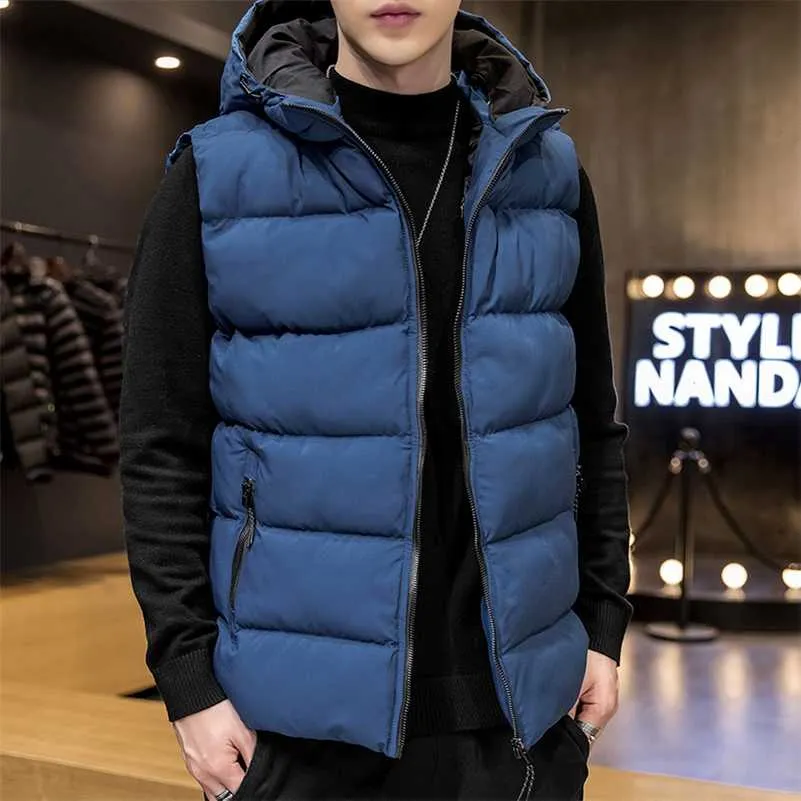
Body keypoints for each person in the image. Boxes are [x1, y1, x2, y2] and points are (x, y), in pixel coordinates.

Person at [120, 1, 632, 799]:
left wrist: (601, 623)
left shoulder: (544, 172)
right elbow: (161, 443)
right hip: (294, 729)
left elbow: (590, 424)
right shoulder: (218, 172)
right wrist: (186, 677)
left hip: (517, 719)